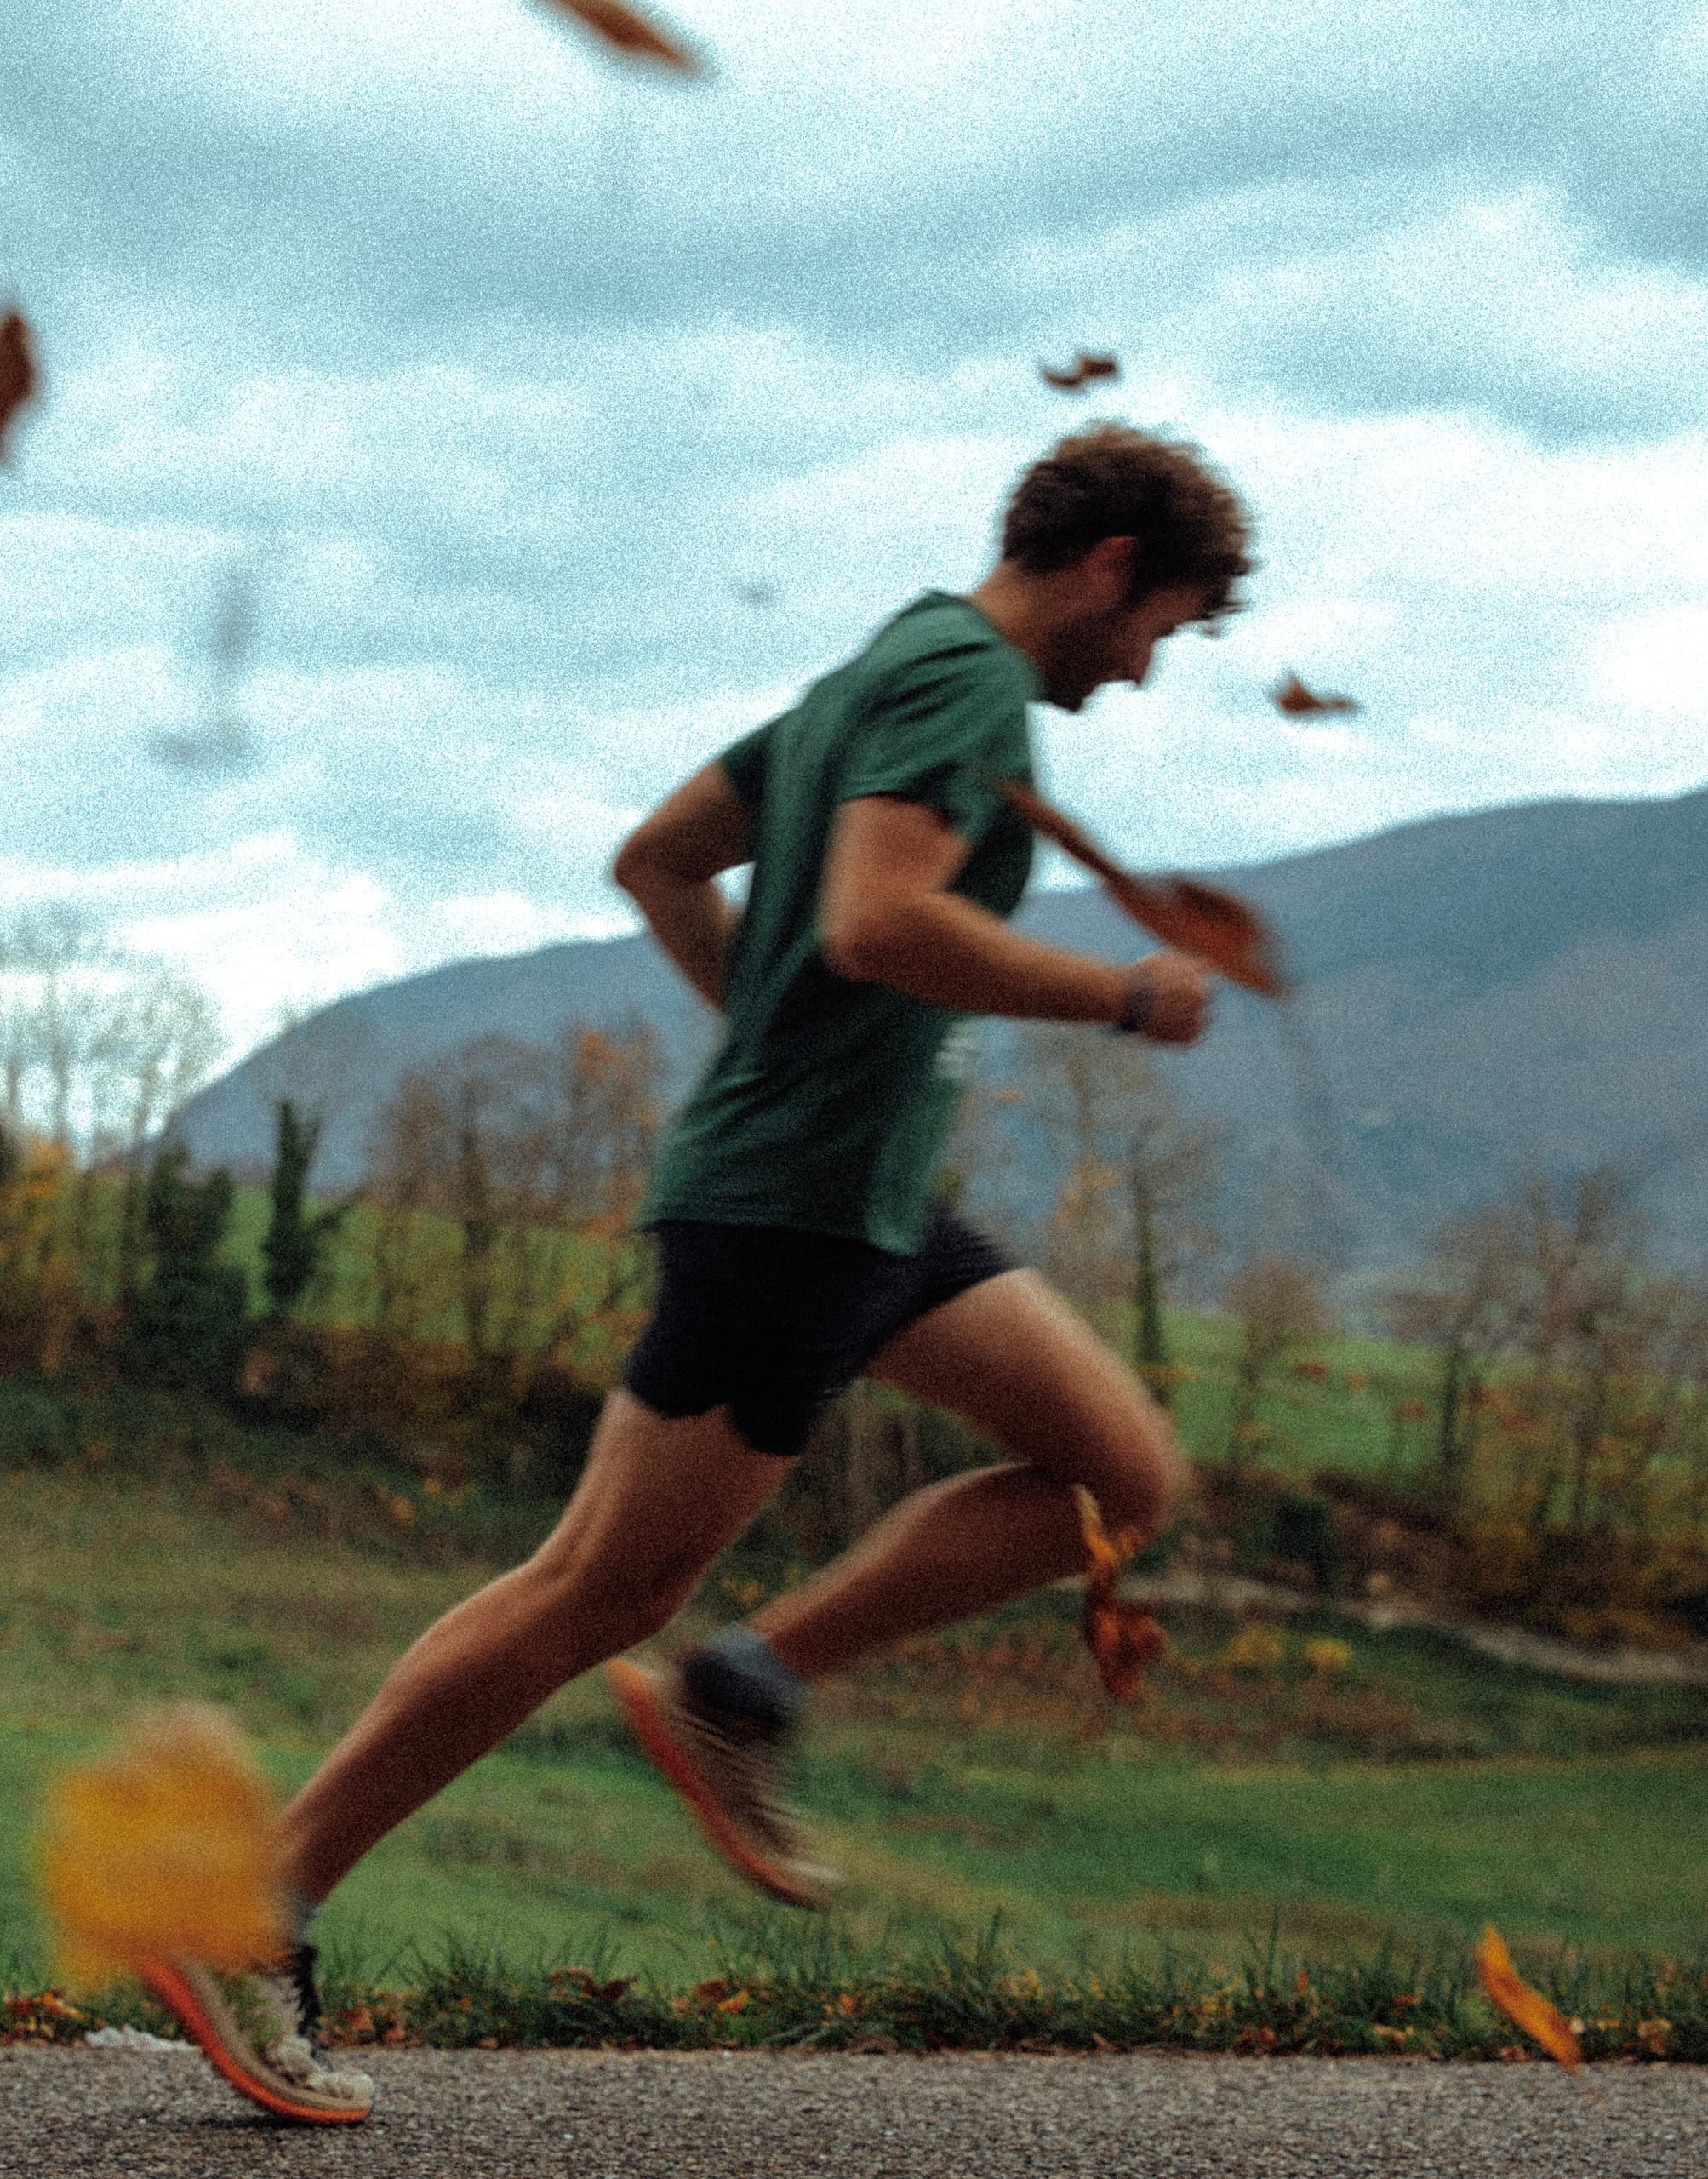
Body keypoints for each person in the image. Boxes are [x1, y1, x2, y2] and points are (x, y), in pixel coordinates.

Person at [148, 423, 1254, 2123]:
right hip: (797, 1208)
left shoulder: (875, 670)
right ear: (1110, 566)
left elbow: (656, 858)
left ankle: (747, 1688)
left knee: (1118, 1472)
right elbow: (882, 924)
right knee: (592, 1585)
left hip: (870, 1199)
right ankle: (258, 1902)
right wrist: (1119, 994)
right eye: (1167, 623)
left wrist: (782, 1032)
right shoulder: (966, 687)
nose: (1153, 663)